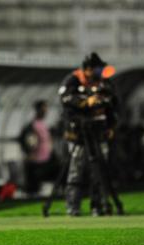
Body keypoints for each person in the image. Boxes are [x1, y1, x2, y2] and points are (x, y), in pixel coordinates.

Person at [59, 52, 123, 216]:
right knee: (76, 170)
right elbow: (65, 99)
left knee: (100, 171)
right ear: (88, 69)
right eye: (97, 68)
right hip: (79, 133)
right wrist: (85, 102)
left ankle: (98, 206)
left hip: (100, 131)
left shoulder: (104, 82)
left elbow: (113, 104)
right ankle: (73, 207)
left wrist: (111, 125)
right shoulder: (73, 80)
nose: (100, 72)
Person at [20, 100, 57, 195]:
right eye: (43, 109)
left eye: (46, 109)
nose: (45, 112)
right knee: (34, 187)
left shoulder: (44, 124)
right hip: (36, 161)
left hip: (47, 159)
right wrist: (29, 153)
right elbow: (24, 140)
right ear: (37, 110)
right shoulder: (32, 125)